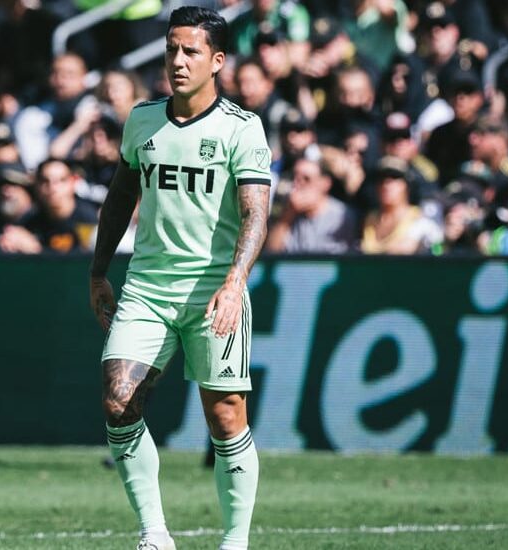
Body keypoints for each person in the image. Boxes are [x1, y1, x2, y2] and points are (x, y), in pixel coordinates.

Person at [89, 7, 271, 550]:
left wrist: (235, 282)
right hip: (147, 288)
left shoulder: (241, 127)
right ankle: (154, 534)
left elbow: (256, 213)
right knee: (118, 401)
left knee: (225, 416)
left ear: (217, 61)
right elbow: (120, 196)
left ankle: (235, 541)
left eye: (191, 51)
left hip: (214, 291)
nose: (178, 60)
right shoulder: (142, 120)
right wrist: (98, 271)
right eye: (172, 49)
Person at [266, 157, 358, 253]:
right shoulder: (288, 211)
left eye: (306, 179)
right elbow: (272, 251)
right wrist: (287, 217)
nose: (296, 184)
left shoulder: (343, 216)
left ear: (325, 183)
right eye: (294, 177)